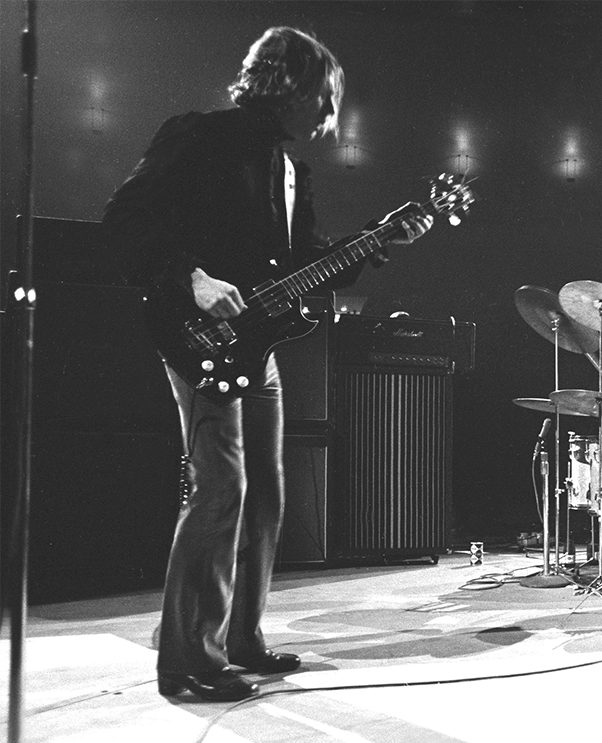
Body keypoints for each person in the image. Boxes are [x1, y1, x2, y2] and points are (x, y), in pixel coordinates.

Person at [102, 27, 431, 701]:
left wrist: (377, 240)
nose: (328, 117)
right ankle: (188, 661)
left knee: (267, 499)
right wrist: (191, 279)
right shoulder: (200, 136)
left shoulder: (290, 171)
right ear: (290, 85)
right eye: (323, 98)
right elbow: (125, 218)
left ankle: (240, 638)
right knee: (220, 489)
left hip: (258, 347)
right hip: (197, 335)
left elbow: (306, 264)